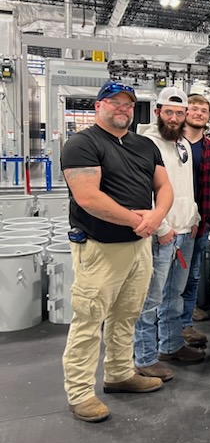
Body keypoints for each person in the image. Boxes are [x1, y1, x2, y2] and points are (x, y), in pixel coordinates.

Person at [61, 80, 173, 423]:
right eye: (114, 103)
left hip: (139, 247)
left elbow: (165, 186)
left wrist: (155, 217)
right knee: (89, 320)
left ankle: (120, 374)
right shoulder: (82, 144)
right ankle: (80, 392)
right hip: (100, 248)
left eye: (128, 104)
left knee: (127, 315)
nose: (122, 109)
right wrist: (137, 221)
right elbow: (87, 197)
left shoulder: (145, 146)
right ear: (99, 107)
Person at [134, 87, 204, 381]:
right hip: (161, 235)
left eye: (179, 112)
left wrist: (195, 216)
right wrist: (162, 227)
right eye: (168, 112)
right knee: (150, 299)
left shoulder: (184, 144)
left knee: (174, 295)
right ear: (157, 112)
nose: (174, 118)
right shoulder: (145, 144)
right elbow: (143, 191)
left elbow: (185, 186)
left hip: (186, 230)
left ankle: (171, 345)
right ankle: (145, 358)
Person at [180, 93, 210, 347]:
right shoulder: (169, 145)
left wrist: (207, 221)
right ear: (185, 112)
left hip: (198, 228)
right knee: (162, 280)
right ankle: (162, 327)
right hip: (169, 226)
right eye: (194, 108)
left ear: (209, 117)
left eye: (203, 110)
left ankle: (185, 325)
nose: (198, 113)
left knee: (191, 279)